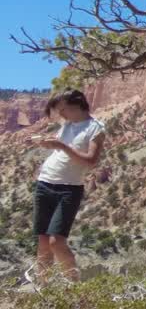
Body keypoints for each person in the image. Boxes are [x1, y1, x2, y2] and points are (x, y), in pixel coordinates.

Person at [29, 89, 107, 283]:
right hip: (45, 183)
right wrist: (47, 144)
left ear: (77, 105)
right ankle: (43, 288)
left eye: (63, 109)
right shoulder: (67, 125)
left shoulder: (95, 128)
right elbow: (59, 150)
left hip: (69, 188)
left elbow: (91, 162)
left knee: (57, 241)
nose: (61, 114)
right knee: (44, 242)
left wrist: (61, 146)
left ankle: (74, 286)